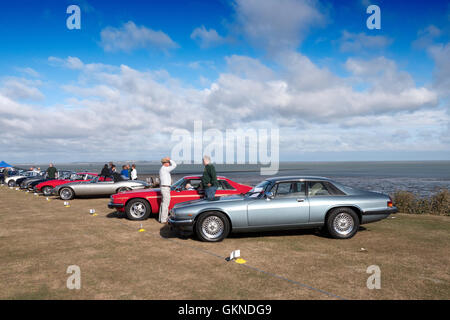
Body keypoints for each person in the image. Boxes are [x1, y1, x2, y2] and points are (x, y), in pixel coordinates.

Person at [158, 157, 176, 224]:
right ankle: (164, 219)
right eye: (168, 162)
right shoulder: (165, 169)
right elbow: (174, 165)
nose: (169, 163)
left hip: (164, 187)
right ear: (164, 163)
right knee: (166, 204)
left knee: (163, 204)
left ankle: (161, 218)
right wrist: (170, 159)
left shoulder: (163, 169)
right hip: (165, 188)